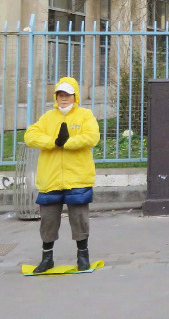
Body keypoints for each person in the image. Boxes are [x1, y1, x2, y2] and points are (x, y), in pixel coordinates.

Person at [24, 77, 101, 273]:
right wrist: (54, 142)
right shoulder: (47, 118)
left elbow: (92, 137)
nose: (63, 98)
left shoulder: (85, 115)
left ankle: (82, 257)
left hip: (77, 177)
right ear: (55, 97)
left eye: (67, 94)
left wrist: (67, 143)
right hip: (50, 179)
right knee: (48, 220)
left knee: (79, 219)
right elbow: (30, 136)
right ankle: (47, 258)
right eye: (60, 94)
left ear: (75, 96)